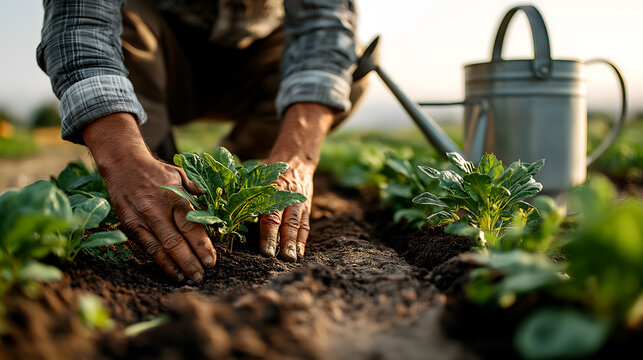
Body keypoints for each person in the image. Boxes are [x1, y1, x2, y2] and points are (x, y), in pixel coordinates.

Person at [37, 0, 367, 282]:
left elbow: (324, 29)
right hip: (154, 60)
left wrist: (298, 159)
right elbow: (80, 24)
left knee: (353, 64)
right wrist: (121, 159)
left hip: (257, 61)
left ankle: (248, 174)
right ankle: (155, 171)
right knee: (125, 20)